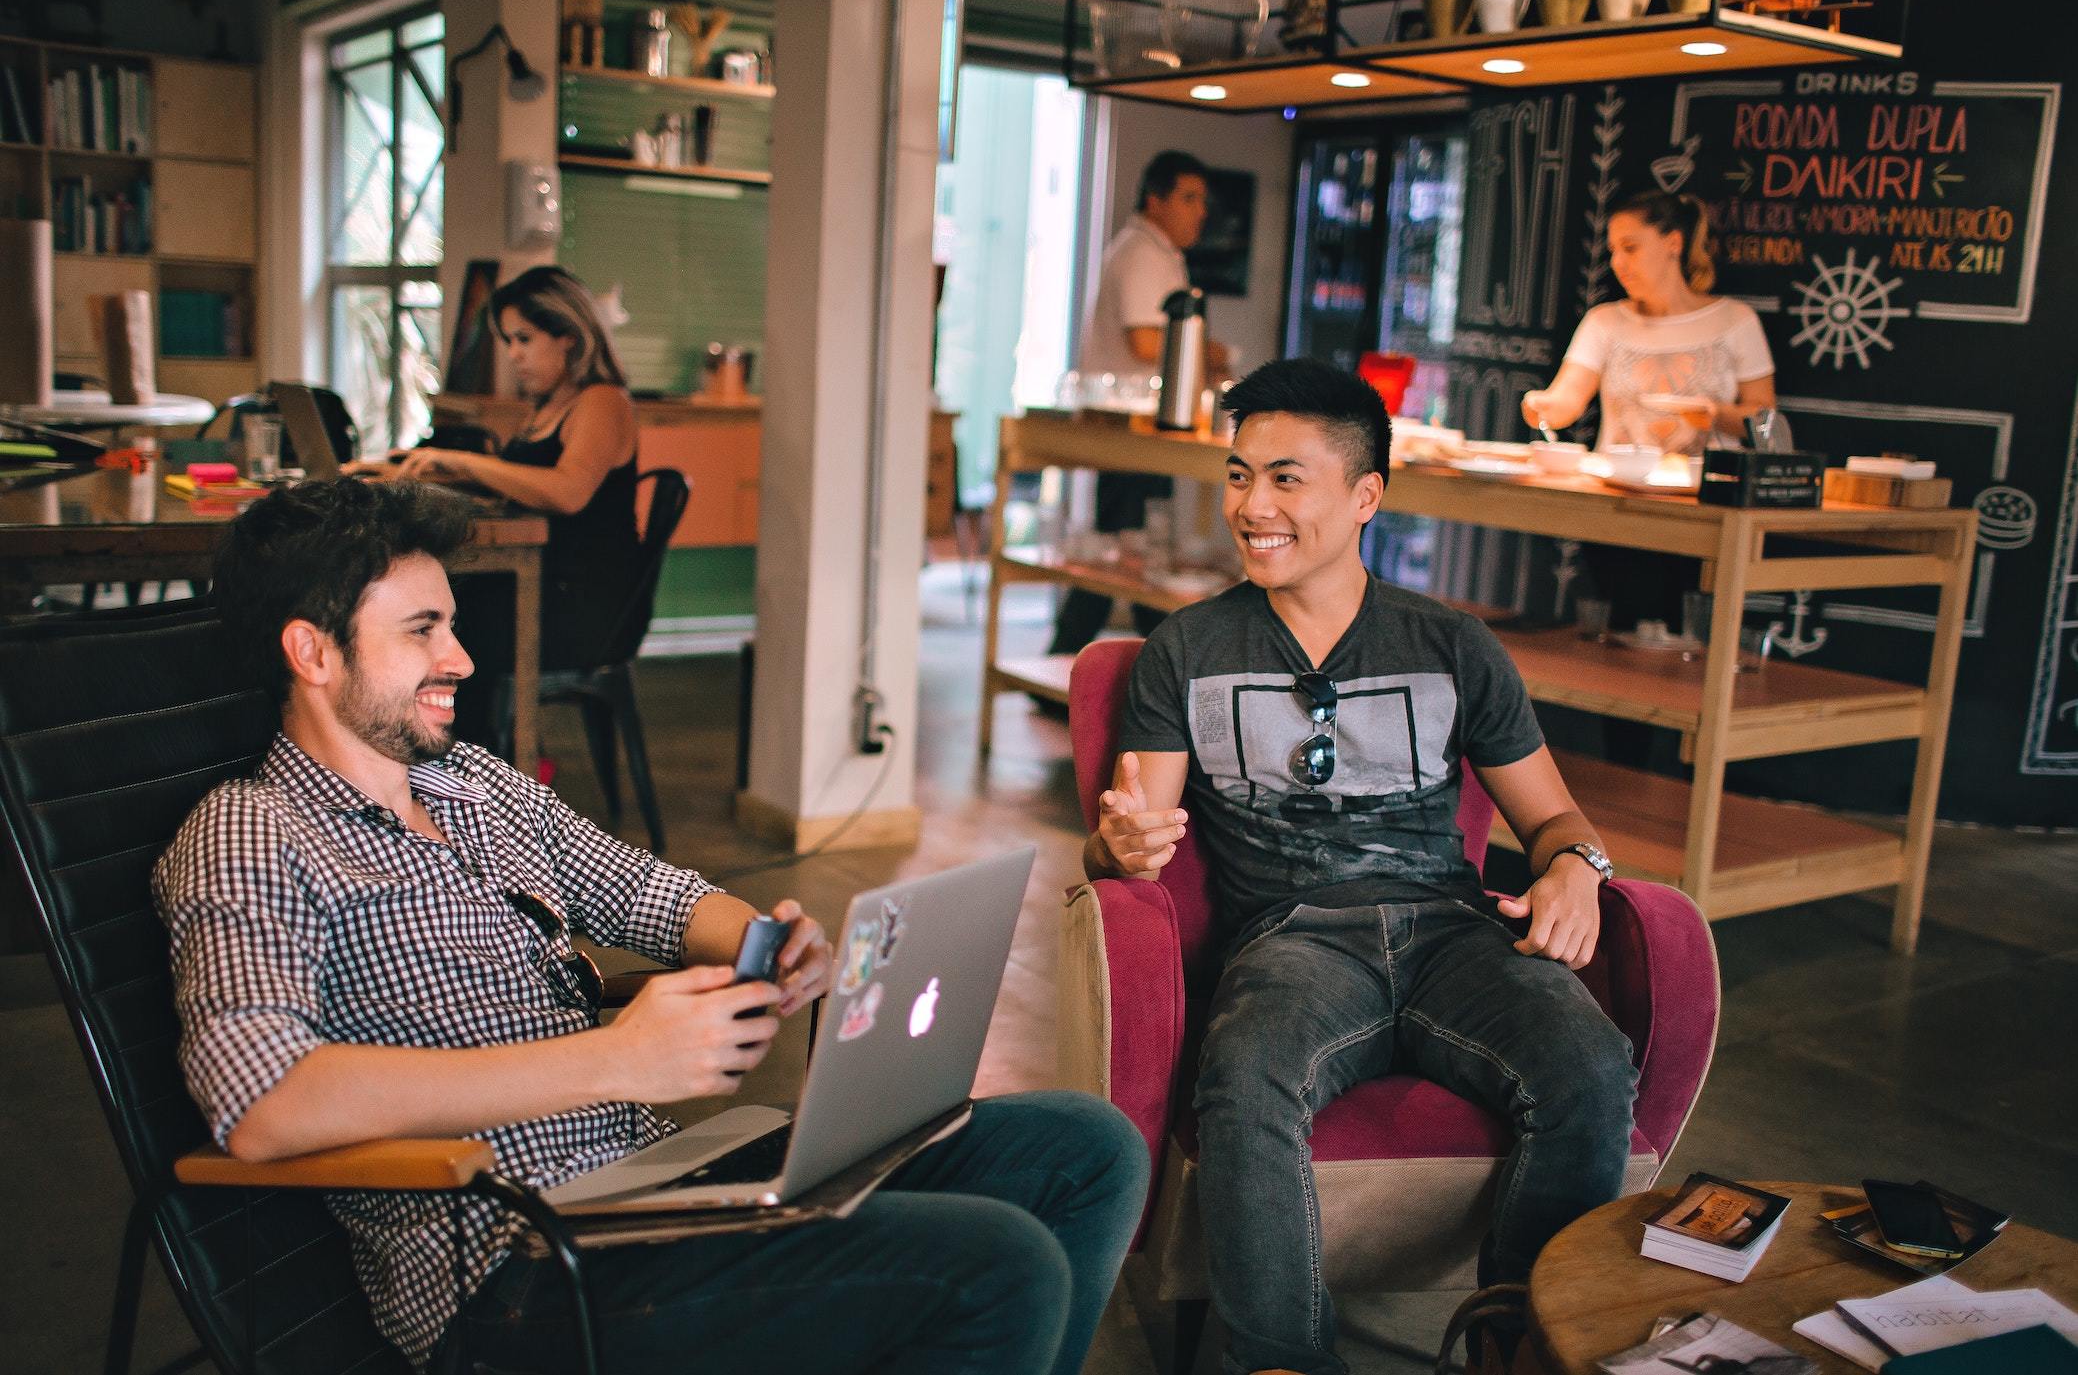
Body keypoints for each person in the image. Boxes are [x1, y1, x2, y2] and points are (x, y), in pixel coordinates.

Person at [154, 477, 1149, 1374]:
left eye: (450, 623)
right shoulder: (250, 831)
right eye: (421, 629)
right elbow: (263, 1101)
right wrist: (614, 1060)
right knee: (994, 1267)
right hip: (516, 1270)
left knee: (1084, 1147)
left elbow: (652, 895)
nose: (459, 655)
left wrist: (766, 944)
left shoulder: (473, 785)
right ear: (311, 649)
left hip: (651, 1188)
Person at [1087, 359, 1637, 1375]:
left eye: (1285, 478)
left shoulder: (1452, 645)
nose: (1251, 507)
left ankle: (1515, 1346)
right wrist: (1116, 845)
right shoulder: (1186, 648)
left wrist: (1576, 867)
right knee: (1245, 1073)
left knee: (1589, 1063)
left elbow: (1553, 814)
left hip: (1451, 930)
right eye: (1238, 475)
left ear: (1363, 495)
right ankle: (1280, 1359)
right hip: (1292, 938)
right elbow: (1134, 823)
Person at [381, 265, 644, 745]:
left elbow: (567, 491)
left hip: (580, 605)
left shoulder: (603, 402)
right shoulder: (550, 405)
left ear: (567, 335)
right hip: (542, 583)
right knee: (434, 611)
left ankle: (465, 770)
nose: (514, 355)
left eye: (524, 339)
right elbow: (522, 485)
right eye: (508, 341)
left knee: (445, 624)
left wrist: (463, 462)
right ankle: (443, 762)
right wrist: (427, 470)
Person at [1520, 192, 1777, 642]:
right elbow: (1567, 401)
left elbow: (1765, 419)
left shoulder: (1735, 321)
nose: (1618, 261)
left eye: (1631, 247)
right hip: (1619, 505)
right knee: (1617, 646)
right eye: (1614, 250)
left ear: (1673, 243)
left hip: (1704, 508)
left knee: (1691, 646)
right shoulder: (1604, 322)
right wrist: (1540, 404)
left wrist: (1714, 415)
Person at [1049, 150, 1229, 660]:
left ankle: (1142, 666)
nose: (1200, 211)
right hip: (1133, 429)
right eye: (1189, 198)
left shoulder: (1156, 252)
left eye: (1202, 201)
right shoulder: (1143, 254)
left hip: (1144, 429)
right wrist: (1215, 353)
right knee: (1130, 556)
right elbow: (1149, 343)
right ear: (1155, 200)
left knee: (1132, 553)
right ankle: (1084, 665)